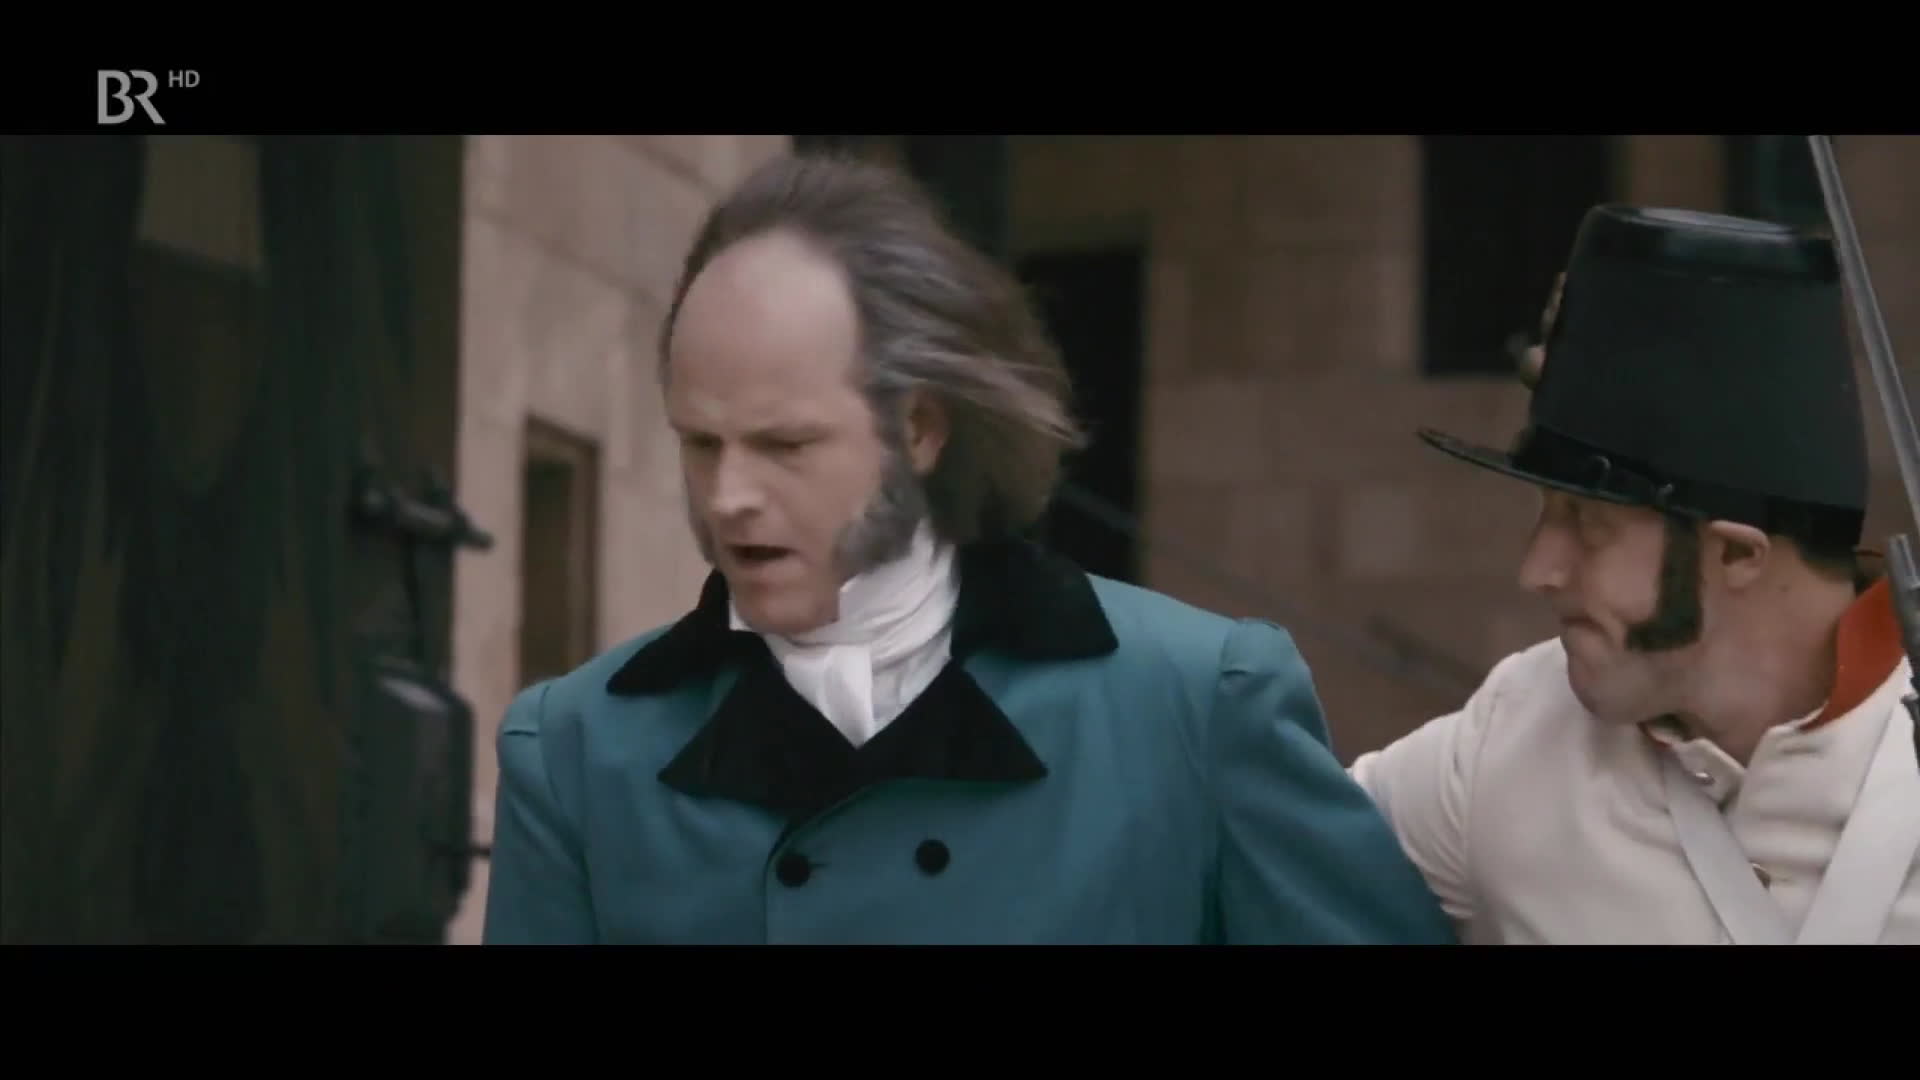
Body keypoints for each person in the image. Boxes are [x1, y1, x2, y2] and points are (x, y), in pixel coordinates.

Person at [480, 151, 1454, 945]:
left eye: (784, 445)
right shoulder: (576, 753)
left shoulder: (1196, 707)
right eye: (701, 444)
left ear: (920, 430)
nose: (728, 496)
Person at [1350, 203, 1920, 945]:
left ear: (1736, 554)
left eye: (1589, 524)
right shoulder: (1509, 741)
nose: (1537, 569)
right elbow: (1255, 863)